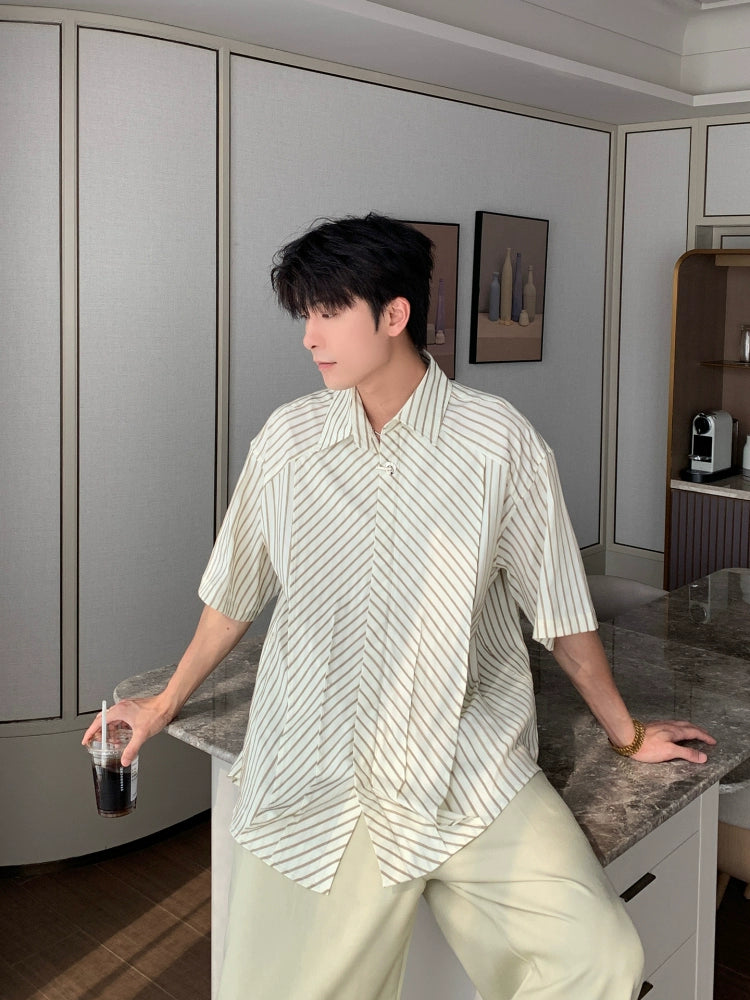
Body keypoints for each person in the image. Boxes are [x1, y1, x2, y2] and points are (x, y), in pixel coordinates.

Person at [84, 212, 715, 1000]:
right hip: (317, 759)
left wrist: (627, 734)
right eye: (304, 314)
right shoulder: (288, 442)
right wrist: (163, 703)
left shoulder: (498, 443)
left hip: (467, 759)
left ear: (394, 315)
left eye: (328, 312)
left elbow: (561, 612)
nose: (310, 337)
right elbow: (233, 595)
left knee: (599, 957)